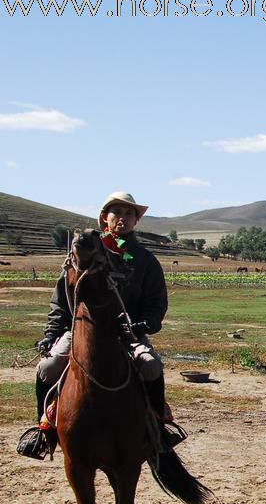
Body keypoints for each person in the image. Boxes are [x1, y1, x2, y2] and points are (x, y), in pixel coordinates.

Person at [20, 191, 184, 459]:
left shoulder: (145, 261)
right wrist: (51, 335)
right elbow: (60, 302)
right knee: (47, 367)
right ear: (104, 219)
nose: (123, 218)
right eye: (117, 212)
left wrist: (144, 324)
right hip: (81, 330)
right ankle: (43, 430)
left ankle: (158, 426)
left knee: (152, 365)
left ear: (136, 220)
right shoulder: (79, 258)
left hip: (127, 333)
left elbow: (156, 303)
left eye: (129, 213)